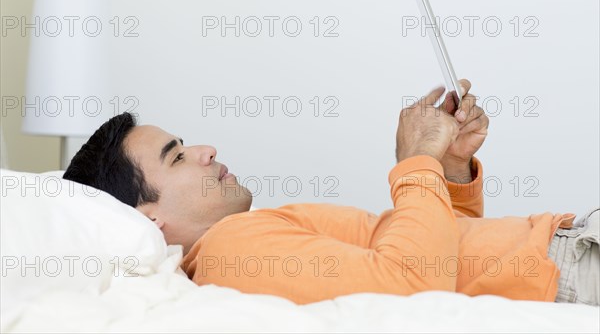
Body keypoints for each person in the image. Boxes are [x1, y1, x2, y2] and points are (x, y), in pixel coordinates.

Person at [63, 80, 599, 306]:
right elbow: (414, 292)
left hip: (565, 251)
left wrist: (449, 168)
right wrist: (416, 163)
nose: (205, 150)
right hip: (567, 265)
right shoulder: (232, 253)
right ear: (145, 218)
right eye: (177, 157)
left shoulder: (244, 239)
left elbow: (441, 253)